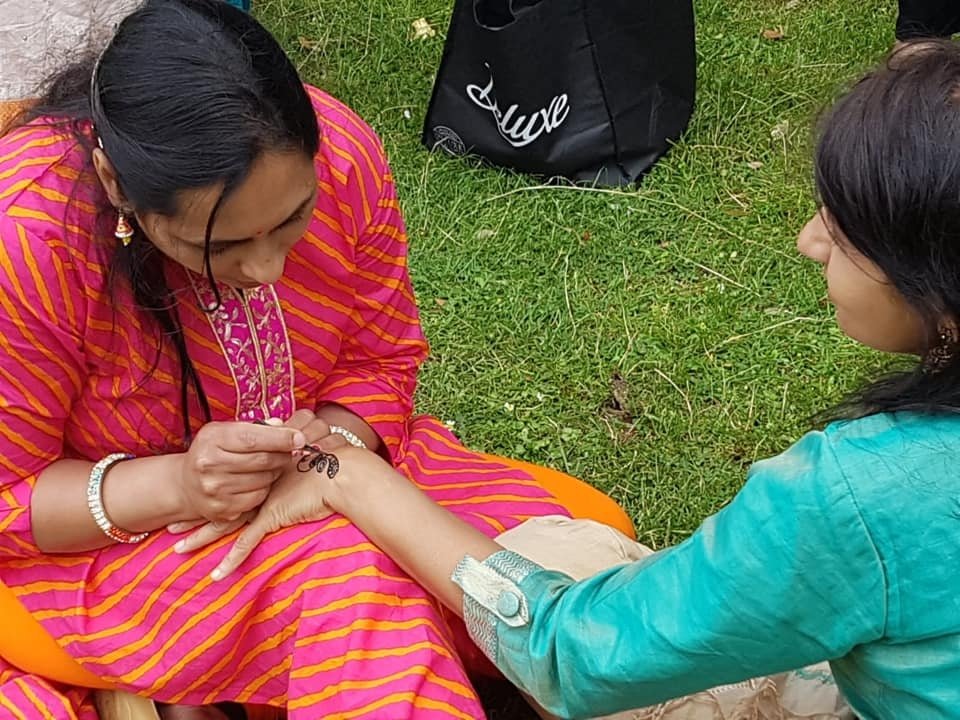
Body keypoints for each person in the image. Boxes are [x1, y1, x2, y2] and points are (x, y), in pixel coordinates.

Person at [226, 43, 960, 719]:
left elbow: (574, 655)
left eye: (845, 228)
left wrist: (350, 473)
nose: (809, 240)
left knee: (558, 554)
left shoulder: (858, 498)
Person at [0, 1, 615, 717]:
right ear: (115, 185)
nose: (266, 268)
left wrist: (332, 454)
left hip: (343, 475)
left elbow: (381, 358)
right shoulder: (28, 238)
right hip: (115, 545)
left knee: (574, 573)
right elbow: (11, 494)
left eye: (293, 218)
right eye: (221, 246)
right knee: (353, 581)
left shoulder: (341, 152)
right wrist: (183, 485)